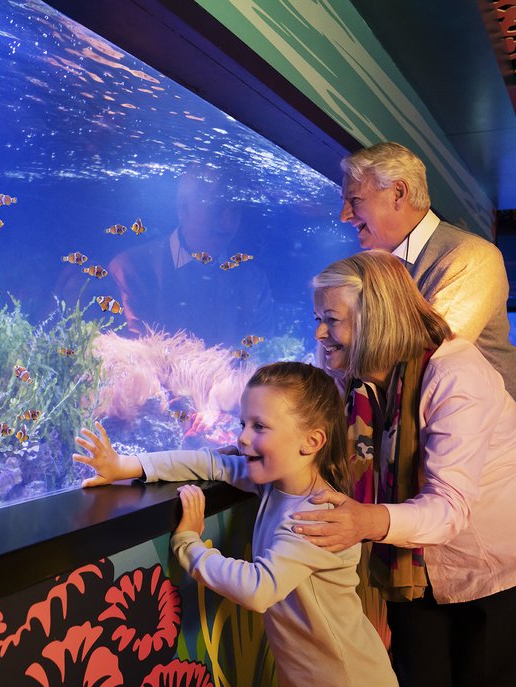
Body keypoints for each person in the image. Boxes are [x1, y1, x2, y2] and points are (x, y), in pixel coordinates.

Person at [73, 362, 397, 687]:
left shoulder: (317, 514)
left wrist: (189, 545)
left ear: (311, 442)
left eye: (259, 427)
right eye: (243, 423)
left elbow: (259, 590)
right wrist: (126, 466)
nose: (241, 438)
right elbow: (211, 463)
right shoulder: (274, 484)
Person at [296, 250, 516, 687]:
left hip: (489, 578)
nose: (320, 332)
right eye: (318, 318)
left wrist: (363, 520)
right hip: (412, 574)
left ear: (375, 318)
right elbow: (285, 427)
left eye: (331, 320)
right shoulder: (355, 377)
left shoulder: (453, 375)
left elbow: (449, 509)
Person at [339, 141, 516, 397]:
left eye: (354, 199)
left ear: (398, 193)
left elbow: (425, 359)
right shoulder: (380, 267)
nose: (343, 215)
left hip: (486, 432)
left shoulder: (473, 256)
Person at [106, 167, 274, 344]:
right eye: (218, 206)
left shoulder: (254, 282)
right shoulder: (129, 269)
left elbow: (264, 357)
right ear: (183, 207)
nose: (228, 221)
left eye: (236, 209)